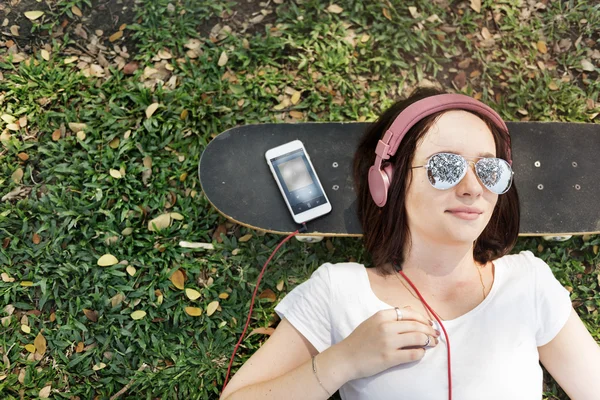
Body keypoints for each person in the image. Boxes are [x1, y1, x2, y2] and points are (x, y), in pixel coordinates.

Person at [219, 87, 600, 400]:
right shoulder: (338, 290)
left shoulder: (529, 284)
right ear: (387, 181)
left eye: (490, 170)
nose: (471, 187)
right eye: (445, 167)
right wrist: (343, 361)